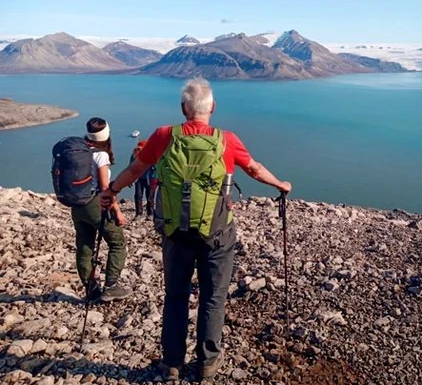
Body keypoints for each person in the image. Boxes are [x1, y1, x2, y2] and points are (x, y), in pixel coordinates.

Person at [100, 78, 292, 380]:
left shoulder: (164, 135)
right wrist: (280, 184)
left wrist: (111, 190)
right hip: (216, 233)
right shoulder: (226, 139)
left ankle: (172, 363)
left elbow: (136, 169)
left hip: (175, 233)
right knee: (213, 298)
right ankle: (207, 363)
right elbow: (253, 168)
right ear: (212, 107)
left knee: (176, 296)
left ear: (183, 108)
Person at [72, 117, 131, 302]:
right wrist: (117, 212)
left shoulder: (78, 151)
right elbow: (105, 189)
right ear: (106, 135)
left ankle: (91, 289)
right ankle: (111, 286)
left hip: (77, 206)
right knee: (117, 242)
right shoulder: (100, 154)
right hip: (95, 205)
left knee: (84, 246)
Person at [130, 140, 156, 219]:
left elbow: (157, 168)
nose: (139, 151)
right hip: (139, 178)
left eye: (141, 149)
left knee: (150, 196)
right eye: (138, 149)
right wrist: (130, 179)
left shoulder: (152, 156)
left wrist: (156, 179)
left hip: (150, 178)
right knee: (138, 195)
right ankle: (139, 214)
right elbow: (130, 168)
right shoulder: (134, 156)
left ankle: (150, 213)